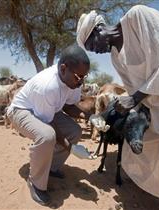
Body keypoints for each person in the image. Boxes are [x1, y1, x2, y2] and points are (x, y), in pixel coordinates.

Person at [76, 5, 159, 210]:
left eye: (92, 45)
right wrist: (127, 104)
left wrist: (134, 98)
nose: (95, 51)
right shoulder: (116, 58)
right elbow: (135, 91)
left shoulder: (137, 17)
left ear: (98, 29)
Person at [6, 44, 94, 206]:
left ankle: (51, 168)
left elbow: (68, 106)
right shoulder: (47, 85)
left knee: (75, 130)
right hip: (21, 110)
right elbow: (49, 123)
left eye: (84, 77)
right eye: (78, 77)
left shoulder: (73, 80)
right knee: (47, 136)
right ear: (63, 69)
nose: (81, 82)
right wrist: (71, 148)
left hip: (47, 110)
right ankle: (36, 182)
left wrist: (91, 117)